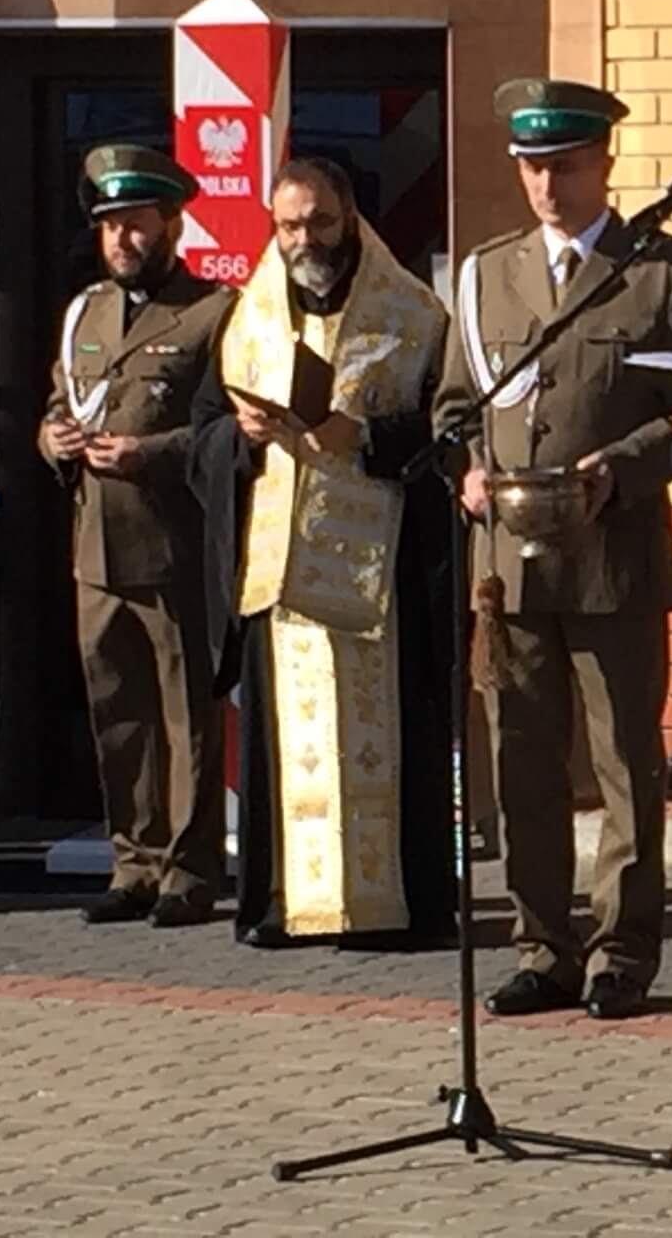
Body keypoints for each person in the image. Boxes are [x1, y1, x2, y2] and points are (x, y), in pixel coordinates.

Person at [435, 78, 672, 1020]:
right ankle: (542, 947)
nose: (549, 185)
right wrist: (468, 471)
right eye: (534, 168)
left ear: (605, 164)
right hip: (507, 567)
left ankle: (620, 953)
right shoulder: (486, 274)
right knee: (521, 761)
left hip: (612, 560)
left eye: (567, 166)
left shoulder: (660, 272)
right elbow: (454, 406)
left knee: (625, 765)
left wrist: (619, 470)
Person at [190, 157, 455, 950]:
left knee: (386, 738)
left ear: (352, 221)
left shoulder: (412, 314)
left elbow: (448, 428)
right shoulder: (248, 320)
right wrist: (240, 438)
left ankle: (391, 908)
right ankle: (283, 903)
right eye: (289, 225)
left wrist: (363, 436)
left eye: (320, 222)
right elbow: (201, 435)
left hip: (379, 570)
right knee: (285, 743)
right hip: (281, 574)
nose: (305, 239)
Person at [40, 144, 233, 927]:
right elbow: (61, 404)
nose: (122, 239)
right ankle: (135, 862)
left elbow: (226, 432)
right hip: (96, 551)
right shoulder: (84, 312)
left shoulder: (212, 311)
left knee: (186, 718)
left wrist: (148, 454)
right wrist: (51, 440)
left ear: (172, 224)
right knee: (118, 714)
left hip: (173, 547)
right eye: (110, 225)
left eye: (136, 223)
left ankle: (190, 870)